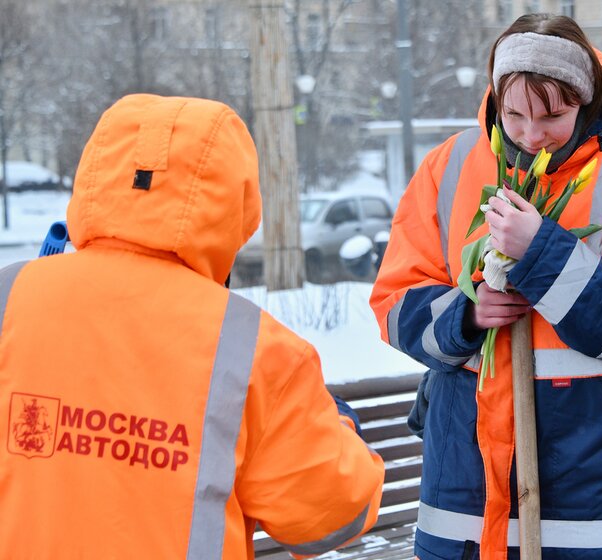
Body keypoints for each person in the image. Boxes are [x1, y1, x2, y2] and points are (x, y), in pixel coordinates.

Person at [371, 13, 602, 560]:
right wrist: (467, 314)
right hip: (467, 499)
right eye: (514, 115)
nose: (532, 135)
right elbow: (395, 304)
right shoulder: (449, 166)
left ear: (586, 99)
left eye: (552, 115)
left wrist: (544, 253)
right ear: (496, 97)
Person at [0, 94, 385, 559]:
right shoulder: (252, 348)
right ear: (235, 204)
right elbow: (331, 516)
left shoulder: (9, 297)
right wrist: (338, 424)